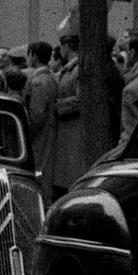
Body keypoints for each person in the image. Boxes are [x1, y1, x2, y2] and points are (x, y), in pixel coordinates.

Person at [23, 41, 60, 191]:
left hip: (40, 134)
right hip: (49, 130)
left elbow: (37, 115)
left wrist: (28, 136)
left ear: (34, 56)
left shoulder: (38, 81)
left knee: (39, 170)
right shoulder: (52, 77)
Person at [53, 33, 84, 193]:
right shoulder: (71, 69)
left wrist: (57, 106)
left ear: (67, 47)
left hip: (73, 129)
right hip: (68, 130)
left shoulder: (78, 70)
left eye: (62, 47)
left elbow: (81, 99)